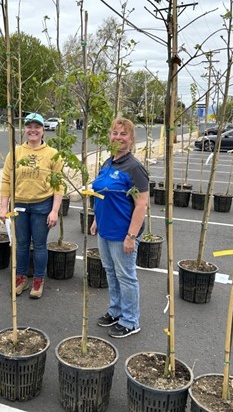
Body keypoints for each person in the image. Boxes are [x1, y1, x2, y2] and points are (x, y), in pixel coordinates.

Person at [90, 117, 149, 338]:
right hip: (104, 230)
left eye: (123, 134)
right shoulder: (107, 163)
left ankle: (130, 320)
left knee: (126, 276)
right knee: (111, 273)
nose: (118, 137)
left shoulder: (134, 168)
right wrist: (96, 219)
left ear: (131, 140)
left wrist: (131, 236)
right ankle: (115, 311)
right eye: (115, 133)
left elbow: (142, 204)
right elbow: (101, 195)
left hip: (123, 233)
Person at [0, 112, 63, 299]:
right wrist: (3, 207)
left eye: (37, 127)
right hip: (19, 204)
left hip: (42, 205)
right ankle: (20, 277)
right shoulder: (16, 152)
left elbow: (58, 184)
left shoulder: (52, 154)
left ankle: (38, 279)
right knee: (21, 244)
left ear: (44, 130)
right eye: (29, 126)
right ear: (25, 129)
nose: (33, 130)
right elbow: (6, 180)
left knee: (40, 245)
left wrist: (55, 211)